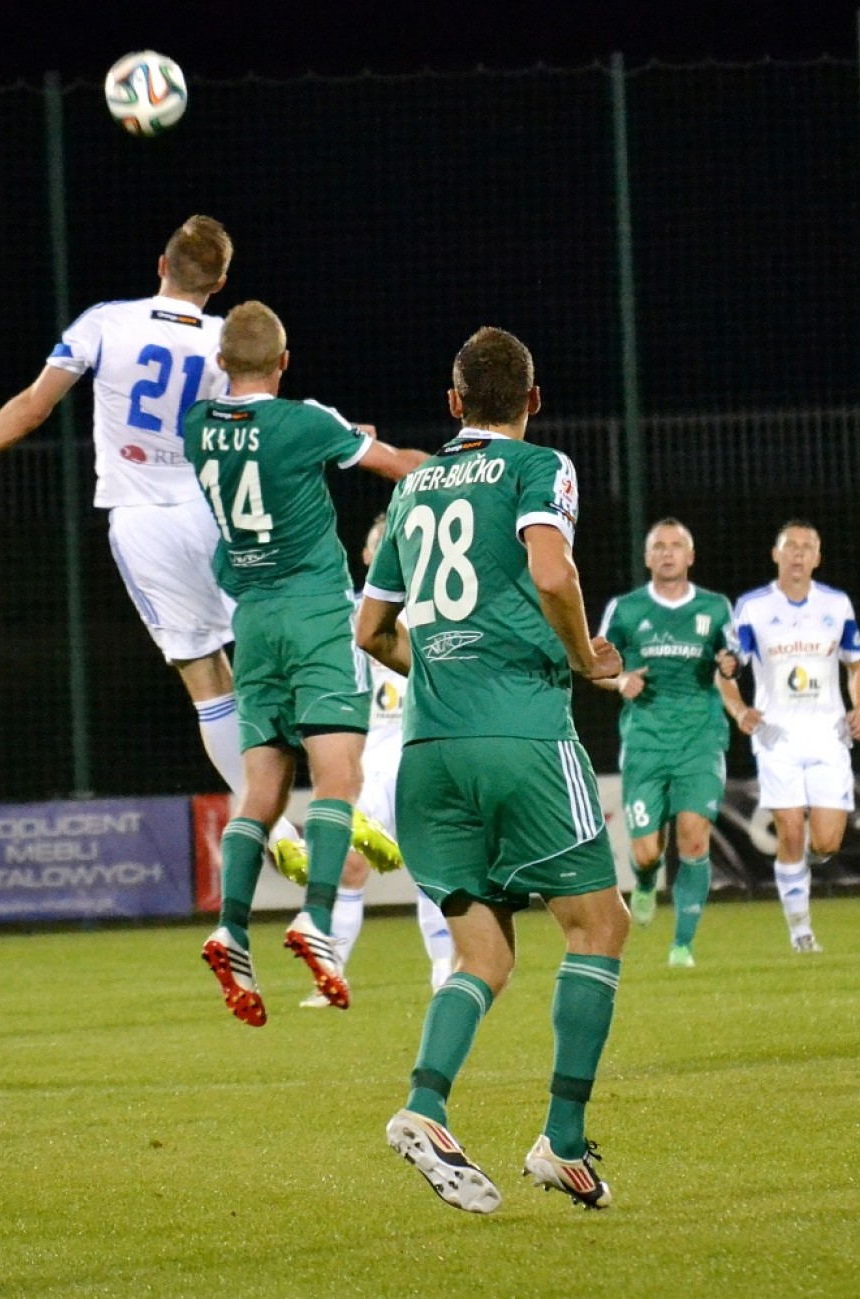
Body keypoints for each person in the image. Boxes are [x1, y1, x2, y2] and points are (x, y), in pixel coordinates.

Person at [0, 216, 303, 864]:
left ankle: (277, 827)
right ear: (219, 283)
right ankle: (339, 790)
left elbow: (34, 406)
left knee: (207, 678)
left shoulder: (106, 323)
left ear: (162, 264)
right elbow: (258, 421)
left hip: (143, 524)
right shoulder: (224, 339)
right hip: (217, 512)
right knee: (274, 652)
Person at [357, 326, 629, 1216]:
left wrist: (445, 670)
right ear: (533, 400)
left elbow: (371, 632)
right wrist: (583, 655)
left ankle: (425, 1104)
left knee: (482, 953)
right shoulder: (538, 466)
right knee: (600, 925)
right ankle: (562, 1139)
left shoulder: (411, 489)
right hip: (521, 737)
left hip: (428, 753)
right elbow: (551, 571)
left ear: (454, 402)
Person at [183, 300, 427, 1026]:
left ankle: (231, 926)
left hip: (251, 620)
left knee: (260, 787)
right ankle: (316, 917)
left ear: (221, 363)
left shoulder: (197, 428)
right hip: (318, 614)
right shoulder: (306, 422)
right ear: (284, 363)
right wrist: (454, 472)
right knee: (337, 778)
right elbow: (396, 466)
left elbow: (248, 456)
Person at [288, 513, 454, 1007]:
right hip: (370, 761)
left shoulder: (439, 609)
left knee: (434, 867)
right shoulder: (348, 617)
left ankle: (446, 971)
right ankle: (331, 973)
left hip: (424, 751)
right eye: (379, 544)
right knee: (350, 866)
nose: (387, 552)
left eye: (396, 544)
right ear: (365, 556)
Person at [719, 520, 860, 953]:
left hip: (829, 735)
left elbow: (858, 664)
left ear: (817, 557)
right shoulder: (753, 607)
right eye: (791, 546)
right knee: (789, 832)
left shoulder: (836, 605)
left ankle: (798, 868)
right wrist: (739, 709)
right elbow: (729, 667)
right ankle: (801, 931)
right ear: (776, 554)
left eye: (807, 547)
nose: (799, 553)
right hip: (777, 737)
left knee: (825, 842)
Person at [595, 519, 739, 968]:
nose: (668, 552)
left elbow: (734, 657)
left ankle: (682, 945)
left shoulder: (715, 608)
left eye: (677, 545)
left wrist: (731, 665)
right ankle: (644, 880)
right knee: (646, 852)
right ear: (647, 557)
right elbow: (595, 665)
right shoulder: (625, 609)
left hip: (700, 740)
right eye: (659, 546)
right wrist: (621, 680)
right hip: (645, 744)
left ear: (690, 556)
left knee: (694, 840)